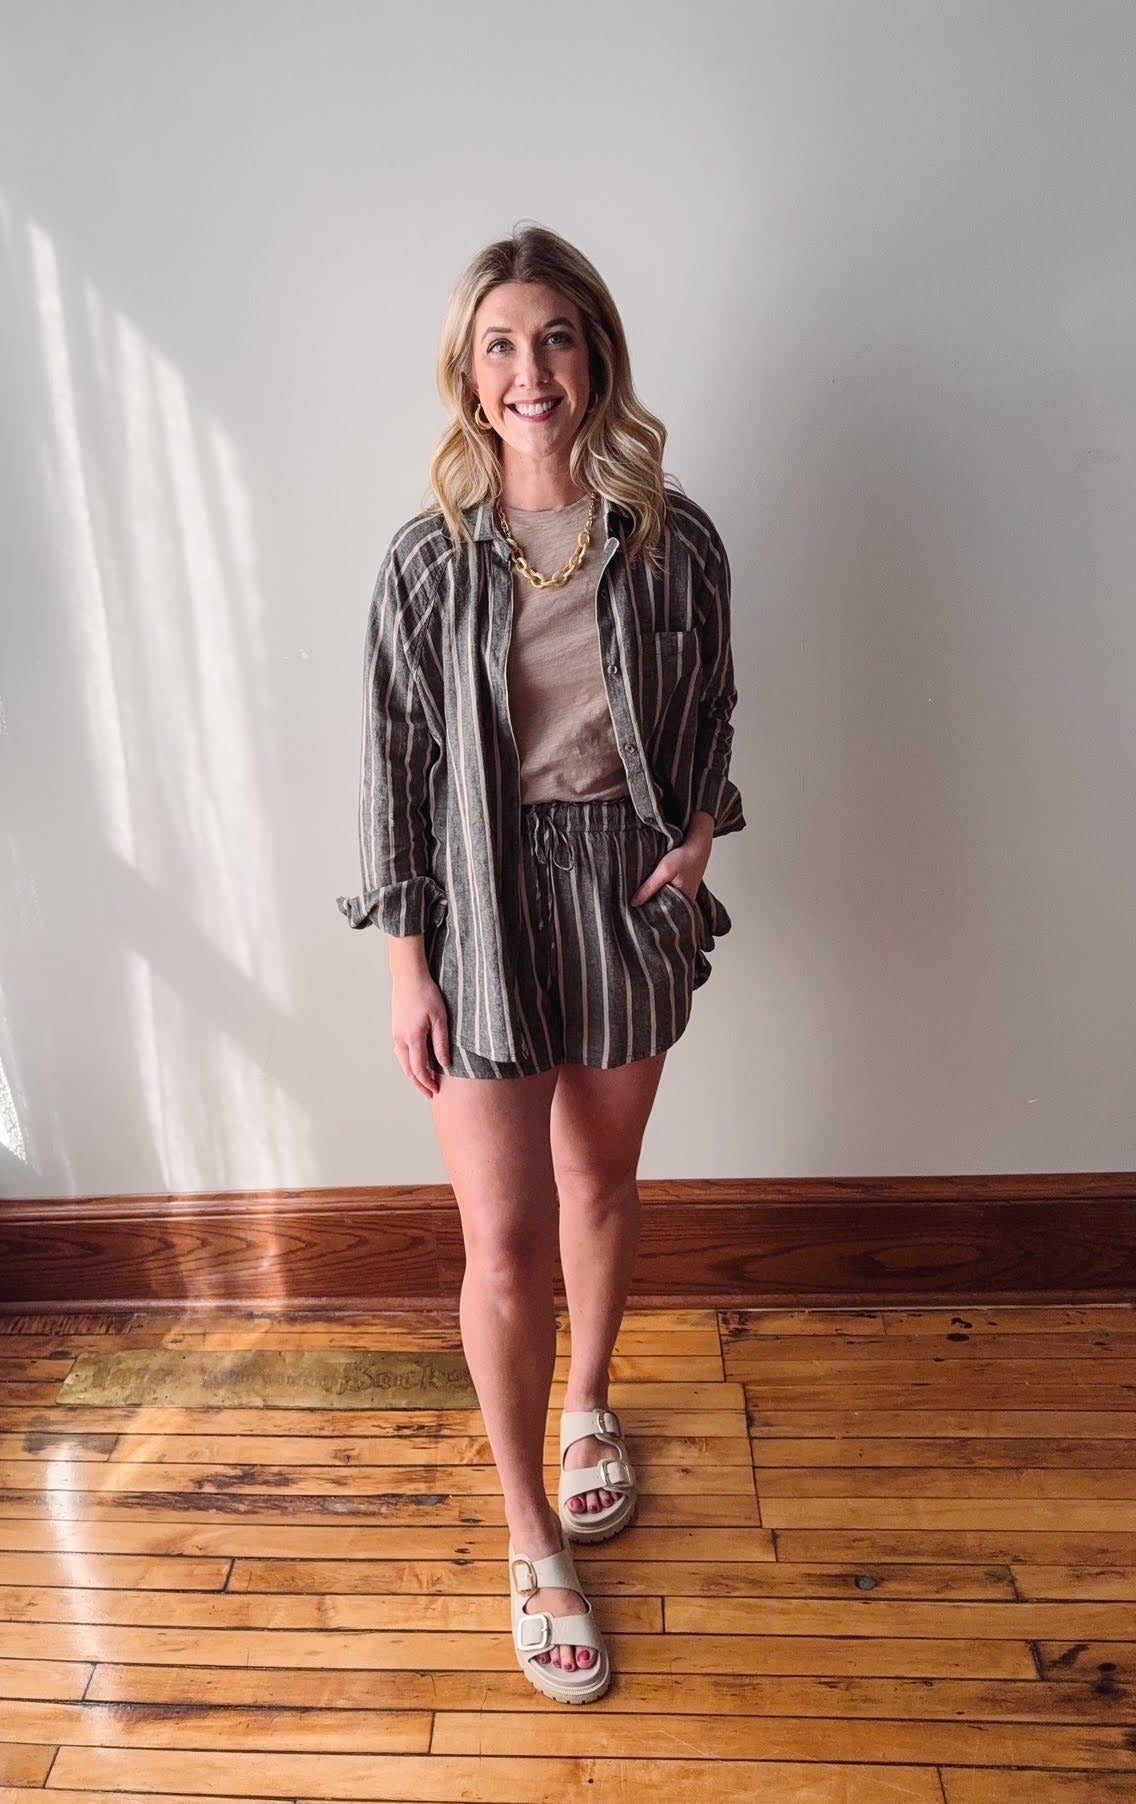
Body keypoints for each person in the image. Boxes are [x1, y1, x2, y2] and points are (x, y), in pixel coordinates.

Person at [337, 224, 745, 1704]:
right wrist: (408, 962)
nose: (532, 371)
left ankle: (588, 1409)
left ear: (598, 357)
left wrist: (696, 835)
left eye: (557, 339)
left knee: (602, 1187)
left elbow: (713, 707)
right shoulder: (424, 565)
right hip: (480, 908)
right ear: (469, 371)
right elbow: (390, 770)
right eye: (502, 345)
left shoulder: (673, 538)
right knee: (501, 1243)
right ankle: (531, 1538)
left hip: (623, 896)